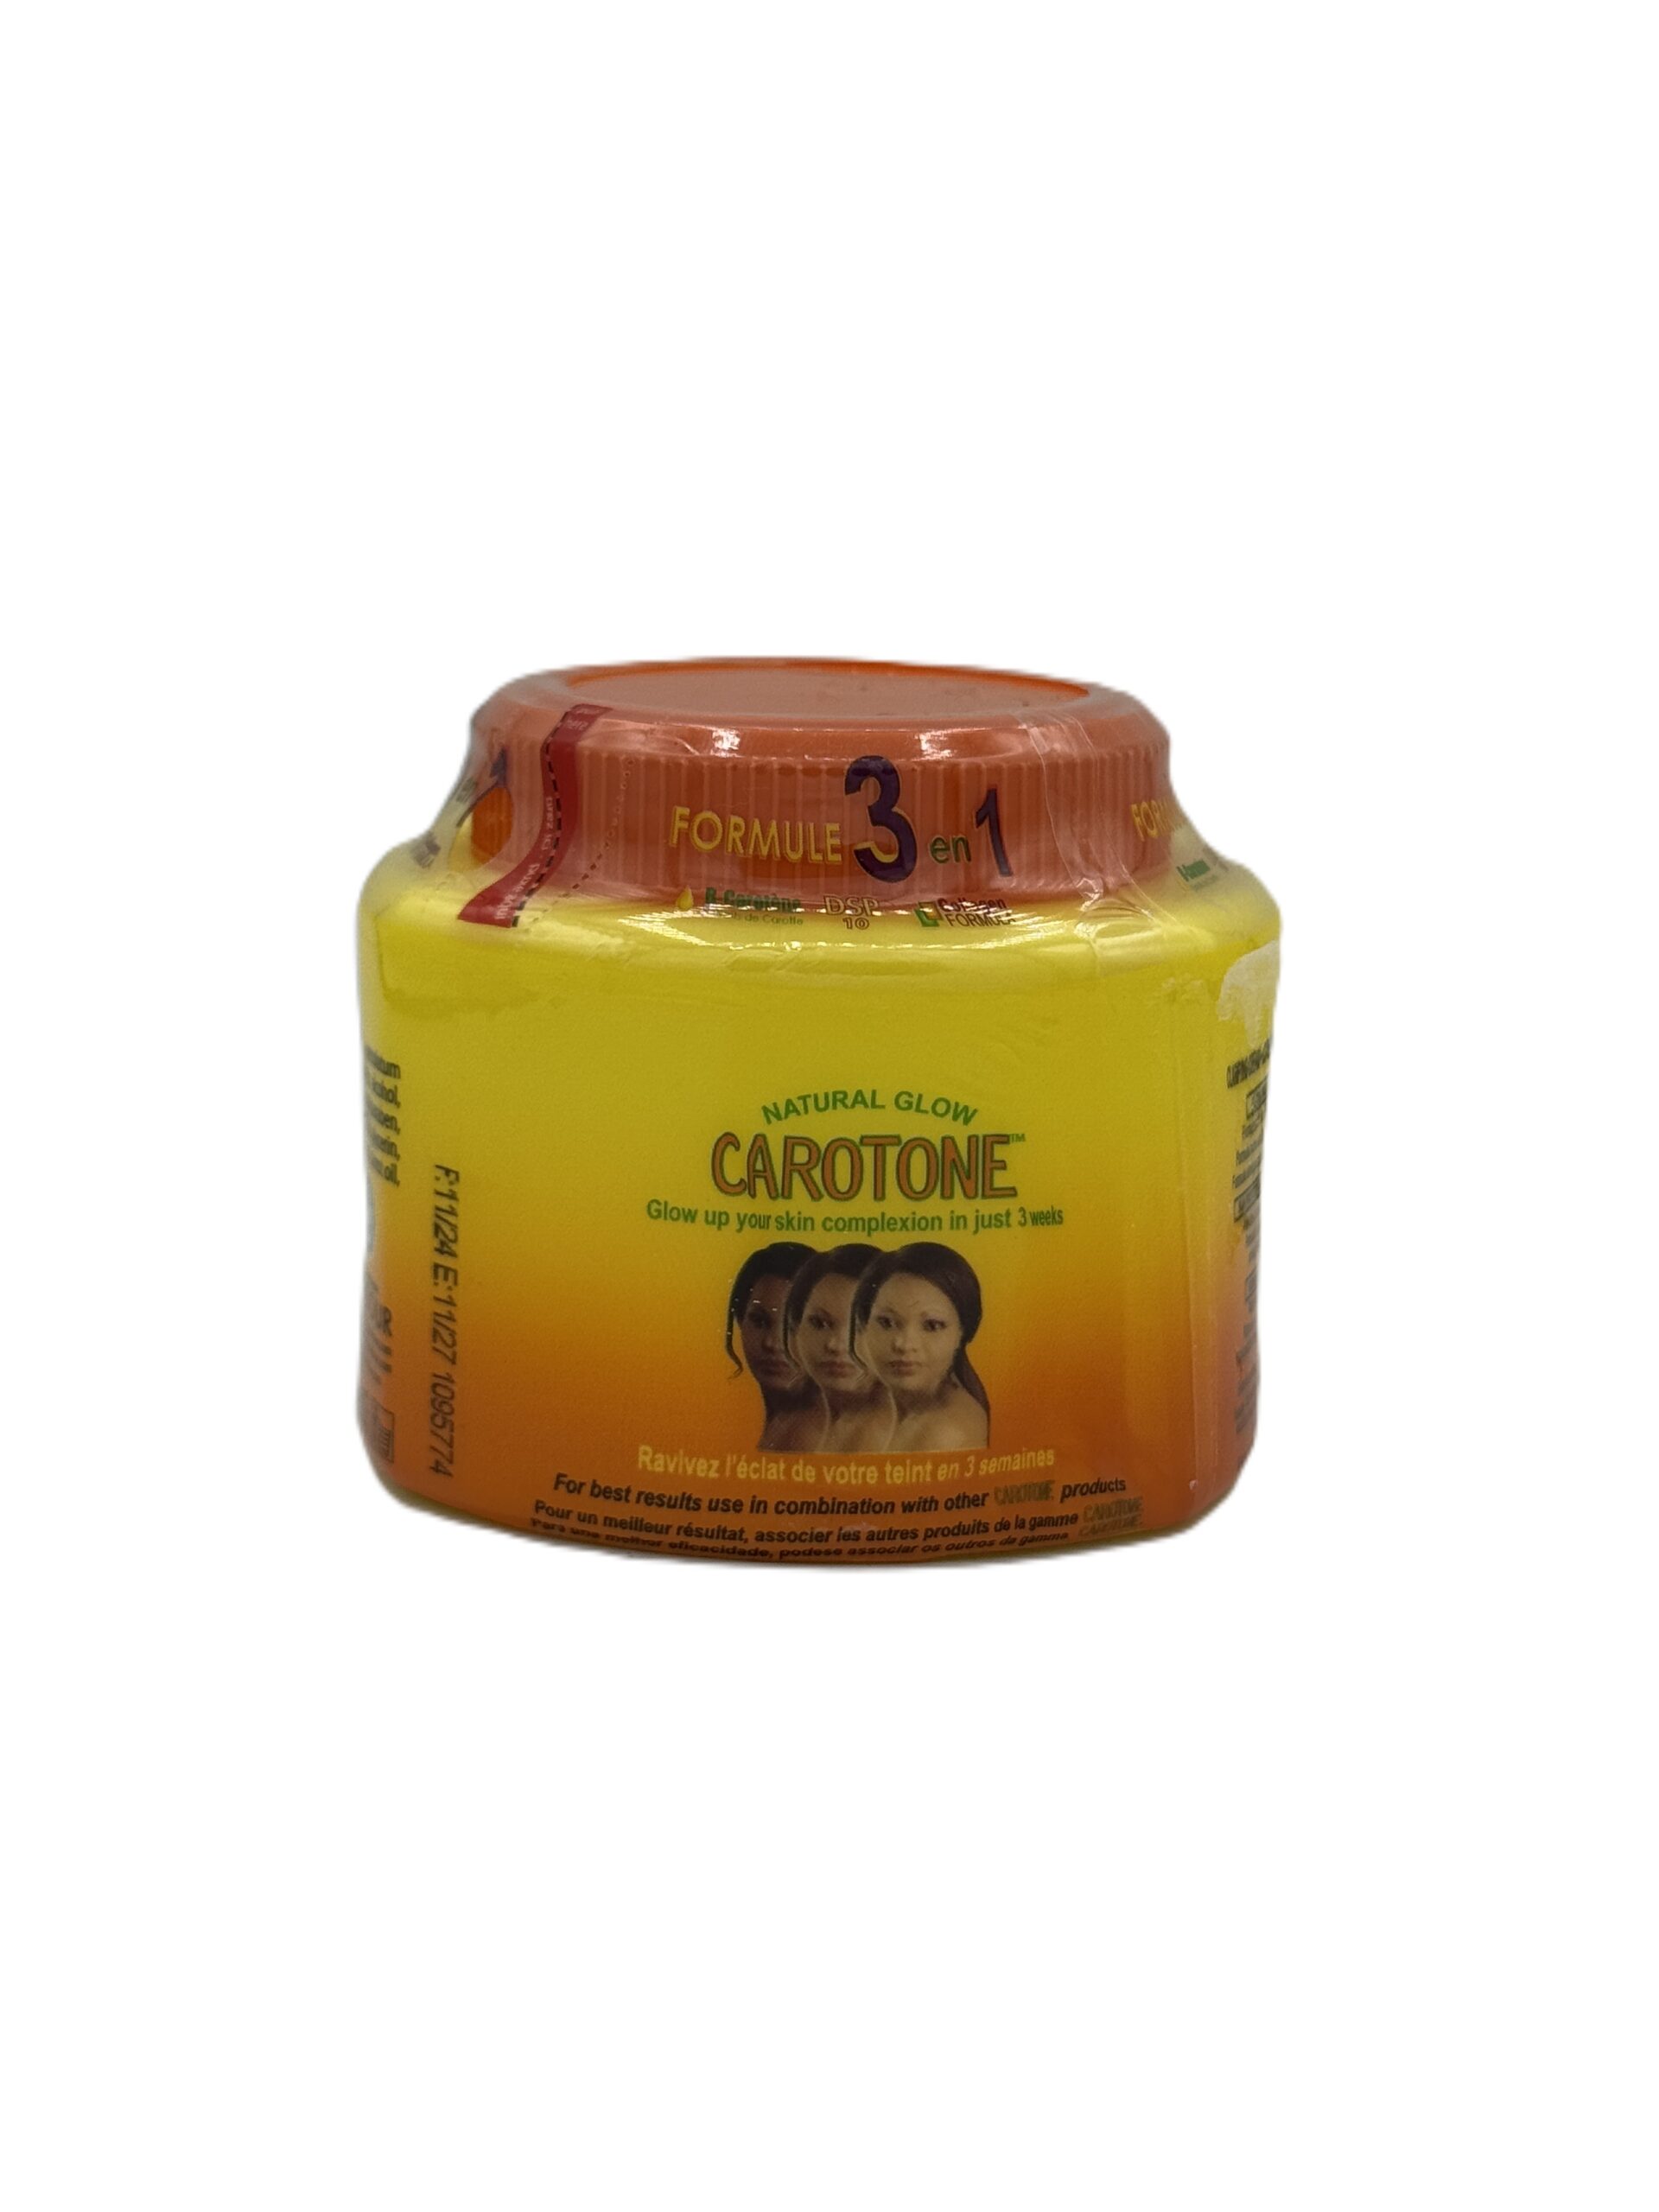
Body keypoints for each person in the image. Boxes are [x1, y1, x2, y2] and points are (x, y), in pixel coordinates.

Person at [850, 1243, 989, 1451]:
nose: (904, 1344)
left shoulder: (945, 1432)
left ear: (962, 1333)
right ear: (863, 1326)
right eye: (887, 1322)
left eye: (932, 1326)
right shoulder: (880, 1415)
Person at [781, 1243, 891, 1451]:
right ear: (794, 1328)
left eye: (858, 1327)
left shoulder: (880, 1436)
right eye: (820, 1323)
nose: (836, 1345)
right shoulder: (798, 1423)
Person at [725, 1243, 817, 1448]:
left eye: (793, 1326)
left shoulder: (811, 1439)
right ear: (740, 1321)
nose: (773, 1343)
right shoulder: (775, 1428)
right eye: (760, 1321)